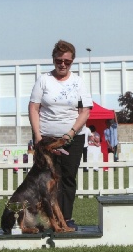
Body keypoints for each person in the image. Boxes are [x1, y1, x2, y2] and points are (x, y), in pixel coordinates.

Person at [28, 40, 93, 230]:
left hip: (73, 138)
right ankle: (47, 220)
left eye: (67, 61)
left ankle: (66, 219)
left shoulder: (78, 82)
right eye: (59, 60)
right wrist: (38, 137)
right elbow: (33, 108)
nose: (62, 64)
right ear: (53, 59)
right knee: (43, 180)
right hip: (47, 140)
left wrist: (71, 133)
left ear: (72, 61)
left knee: (67, 178)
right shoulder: (43, 80)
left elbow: (85, 111)